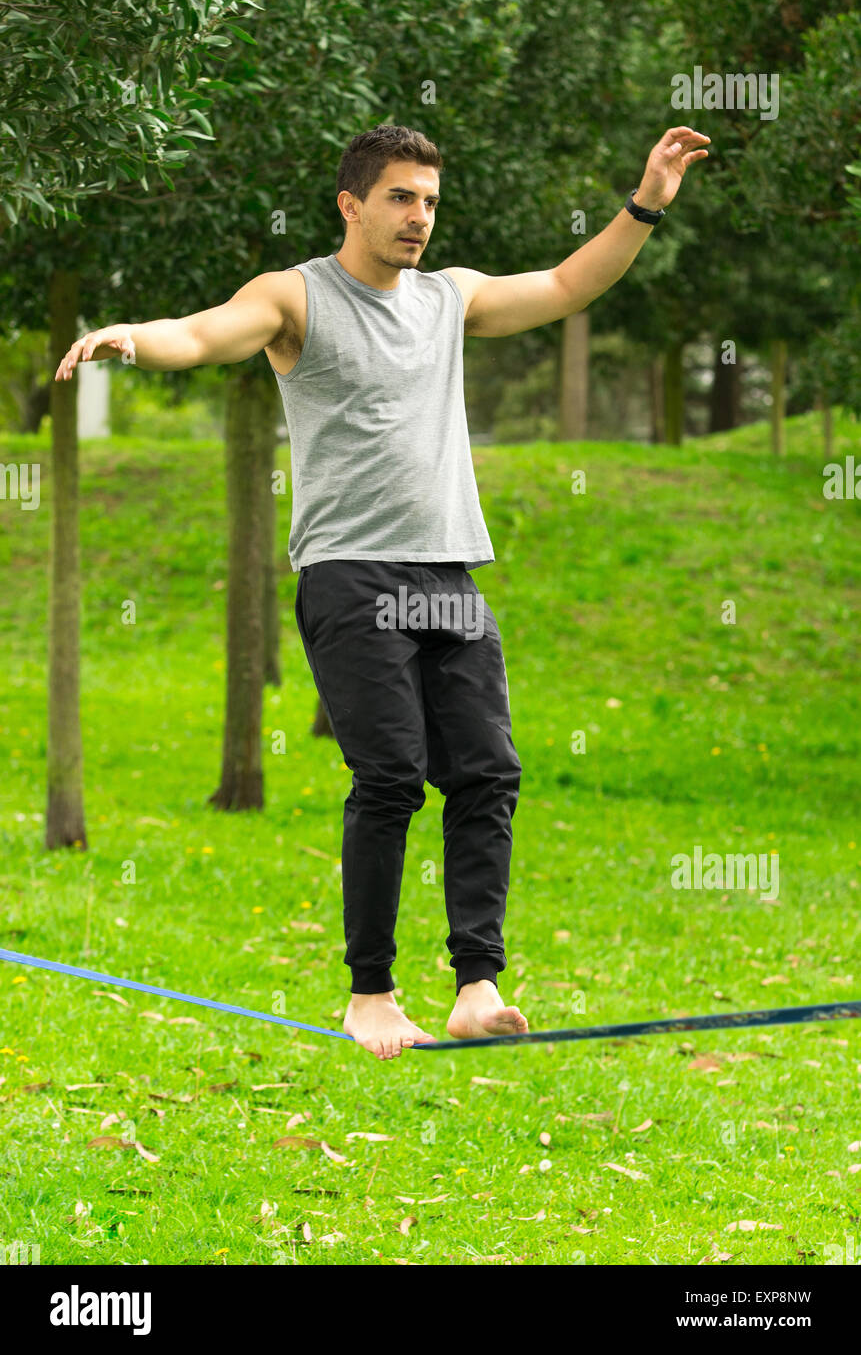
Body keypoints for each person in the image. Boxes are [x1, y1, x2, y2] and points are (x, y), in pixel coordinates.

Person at [55, 122, 710, 1061]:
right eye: (402, 198)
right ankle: (370, 993)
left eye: (431, 202)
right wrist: (131, 341)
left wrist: (644, 202)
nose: (420, 218)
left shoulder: (451, 300)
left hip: (447, 570)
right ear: (351, 204)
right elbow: (203, 333)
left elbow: (569, 285)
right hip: (351, 575)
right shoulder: (296, 296)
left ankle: (476, 985)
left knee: (487, 773)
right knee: (392, 776)